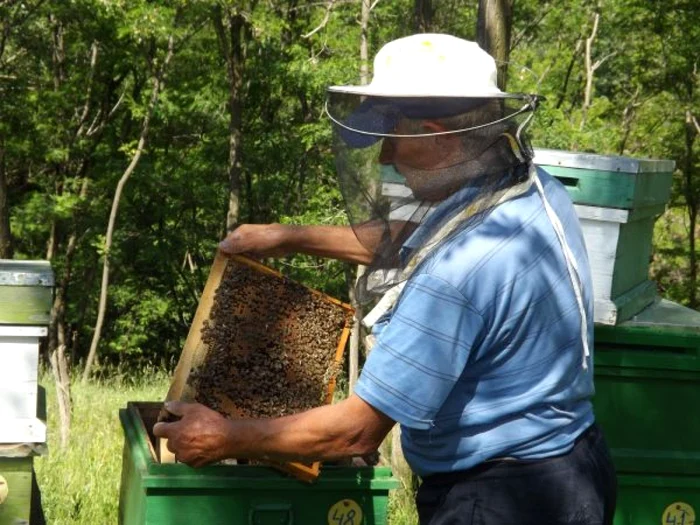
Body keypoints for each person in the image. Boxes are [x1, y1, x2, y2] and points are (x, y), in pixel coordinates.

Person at [153, 33, 617, 524]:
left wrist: (225, 437)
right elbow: (419, 237)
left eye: (391, 142)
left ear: (437, 134)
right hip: (576, 466)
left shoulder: (454, 278)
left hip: (501, 499)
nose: (382, 159)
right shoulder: (526, 190)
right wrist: (286, 236)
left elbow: (354, 432)